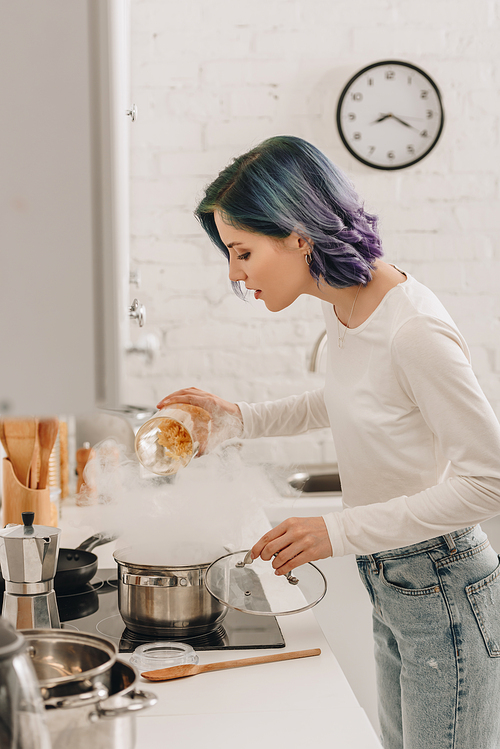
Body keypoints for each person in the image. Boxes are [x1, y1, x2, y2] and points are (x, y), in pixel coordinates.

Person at [158, 135, 500, 749]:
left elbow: (490, 481)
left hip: (443, 583)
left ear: (297, 234)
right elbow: (351, 398)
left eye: (241, 252)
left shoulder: (412, 329)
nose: (234, 274)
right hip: (397, 580)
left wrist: (335, 531)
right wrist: (238, 418)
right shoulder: (344, 303)